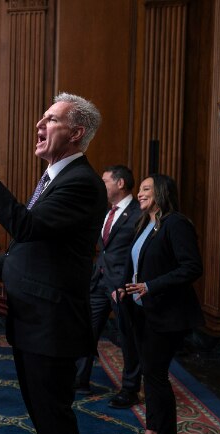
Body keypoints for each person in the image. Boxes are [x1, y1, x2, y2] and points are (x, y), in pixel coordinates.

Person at [0, 93, 107, 434]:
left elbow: (26, 229)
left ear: (76, 133)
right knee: (45, 421)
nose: (39, 126)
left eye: (51, 120)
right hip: (34, 321)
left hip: (51, 326)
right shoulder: (54, 178)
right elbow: (43, 246)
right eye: (42, 118)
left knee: (53, 423)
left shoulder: (81, 183)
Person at [115, 174, 203, 434]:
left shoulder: (175, 223)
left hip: (167, 314)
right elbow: (137, 265)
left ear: (162, 192)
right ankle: (153, 429)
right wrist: (123, 288)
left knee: (155, 375)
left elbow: (191, 267)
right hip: (143, 311)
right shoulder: (146, 224)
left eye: (146, 189)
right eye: (139, 189)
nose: (139, 193)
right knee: (149, 375)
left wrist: (150, 286)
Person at [74, 165, 142, 406]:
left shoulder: (138, 213)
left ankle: (130, 389)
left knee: (127, 337)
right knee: (86, 331)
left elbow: (139, 252)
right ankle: (79, 379)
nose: (101, 185)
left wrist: (127, 283)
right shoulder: (105, 211)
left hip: (121, 286)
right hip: (97, 283)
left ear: (120, 183)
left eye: (105, 181)